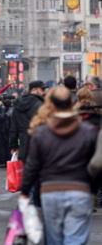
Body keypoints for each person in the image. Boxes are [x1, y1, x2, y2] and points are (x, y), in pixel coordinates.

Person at [20, 86, 97, 244]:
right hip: (80, 190)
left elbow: (32, 166)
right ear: (71, 101)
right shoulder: (88, 131)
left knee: (54, 240)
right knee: (75, 239)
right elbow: (95, 164)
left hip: (50, 191)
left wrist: (25, 191)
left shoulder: (41, 132)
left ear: (52, 105)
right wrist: (93, 189)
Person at [10, 80, 47, 162]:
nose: (44, 92)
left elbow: (13, 128)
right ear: (34, 90)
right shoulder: (40, 104)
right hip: (38, 146)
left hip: (23, 146)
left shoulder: (18, 104)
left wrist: (14, 145)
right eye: (42, 89)